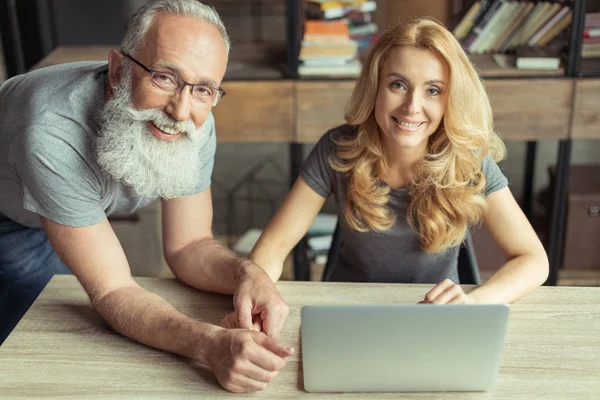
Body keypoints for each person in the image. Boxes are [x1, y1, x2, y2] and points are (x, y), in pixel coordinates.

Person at [0, 0, 292, 393]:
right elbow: (112, 289)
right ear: (119, 69)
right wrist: (209, 344)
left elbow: (189, 246)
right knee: (35, 351)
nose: (180, 110)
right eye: (165, 78)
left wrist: (249, 273)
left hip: (64, 198)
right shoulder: (51, 133)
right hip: (11, 218)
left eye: (203, 89)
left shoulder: (192, 120)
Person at [246, 18, 550, 305]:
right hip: (348, 312)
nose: (411, 107)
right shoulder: (337, 148)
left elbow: (533, 260)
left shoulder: (468, 158)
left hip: (436, 317)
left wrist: (474, 302)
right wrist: (258, 291)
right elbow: (272, 248)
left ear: (450, 100)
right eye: (398, 85)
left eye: (433, 91)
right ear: (375, 87)